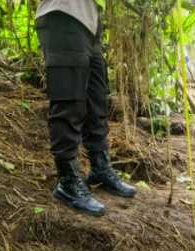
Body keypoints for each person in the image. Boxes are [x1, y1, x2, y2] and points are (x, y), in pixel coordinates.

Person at [35, 1, 136, 217]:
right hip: (62, 13)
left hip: (89, 21)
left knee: (96, 99)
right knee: (69, 101)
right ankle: (68, 181)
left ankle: (100, 167)